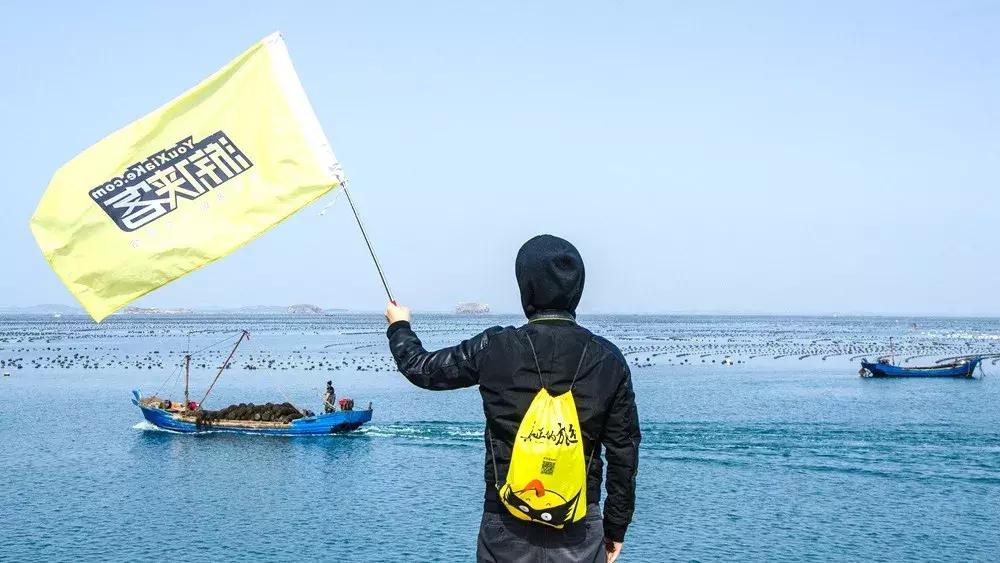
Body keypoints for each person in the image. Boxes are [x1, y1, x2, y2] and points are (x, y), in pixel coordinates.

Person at [385, 234, 640, 563]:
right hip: (580, 524)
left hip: (506, 521)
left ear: (526, 288)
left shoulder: (496, 347)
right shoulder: (608, 358)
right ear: (577, 288)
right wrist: (616, 528)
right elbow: (624, 451)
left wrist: (400, 325)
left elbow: (422, 369)